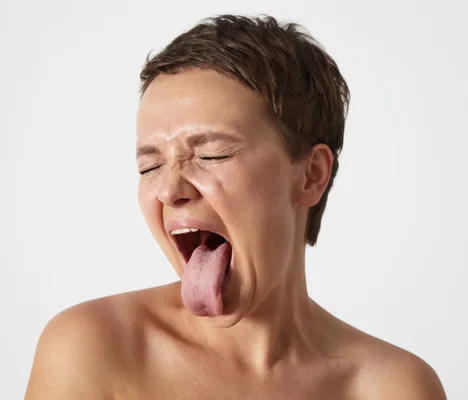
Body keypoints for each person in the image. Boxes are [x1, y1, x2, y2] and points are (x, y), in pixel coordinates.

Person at [25, 14, 446, 399]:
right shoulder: (93, 349)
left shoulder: (394, 387)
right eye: (150, 165)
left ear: (311, 174)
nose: (170, 190)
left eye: (212, 156)